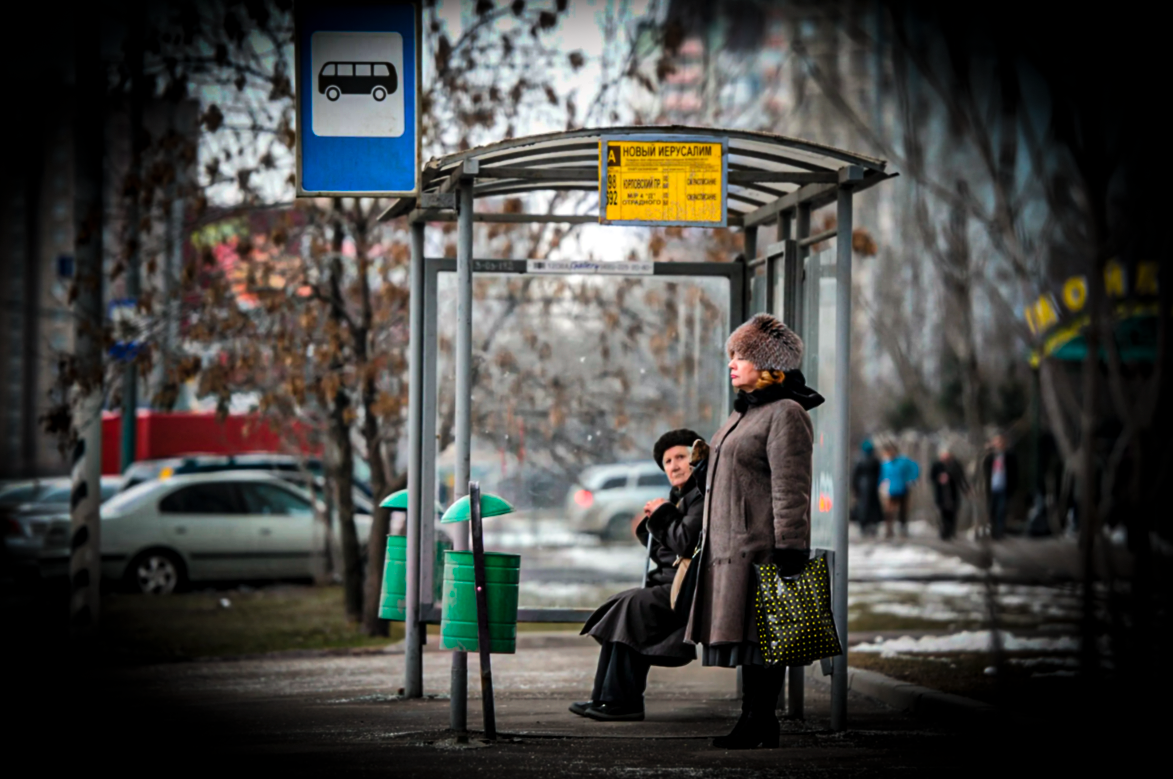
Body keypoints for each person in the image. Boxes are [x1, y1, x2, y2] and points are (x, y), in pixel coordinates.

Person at [683, 313, 824, 750]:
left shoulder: (786, 413)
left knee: (767, 637)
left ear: (768, 365)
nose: (732, 363)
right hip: (731, 545)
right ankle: (755, 720)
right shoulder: (746, 411)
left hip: (762, 545)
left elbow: (791, 487)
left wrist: (791, 548)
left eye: (741, 356)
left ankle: (761, 722)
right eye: (732, 355)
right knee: (750, 638)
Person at [572, 428, 706, 722]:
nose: (674, 465)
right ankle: (605, 698)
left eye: (681, 457)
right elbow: (669, 549)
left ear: (696, 459)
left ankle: (624, 702)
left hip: (688, 590)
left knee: (633, 607)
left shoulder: (701, 497)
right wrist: (651, 522)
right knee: (626, 603)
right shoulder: (681, 497)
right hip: (673, 585)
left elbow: (685, 542)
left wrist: (661, 515)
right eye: (668, 461)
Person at [981, 433, 1018, 539]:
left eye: (1001, 442)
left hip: (1004, 487)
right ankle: (993, 531)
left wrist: (1013, 487)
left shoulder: (1010, 456)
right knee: (992, 510)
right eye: (996, 442)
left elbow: (1014, 473)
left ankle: (1000, 532)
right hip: (992, 487)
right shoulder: (990, 457)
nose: (999, 444)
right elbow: (985, 470)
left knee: (1001, 510)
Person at [880, 443, 919, 538]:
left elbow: (915, 467)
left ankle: (903, 528)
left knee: (903, 510)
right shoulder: (885, 464)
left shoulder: (903, 461)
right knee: (889, 511)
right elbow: (881, 476)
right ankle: (889, 529)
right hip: (890, 490)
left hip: (903, 488)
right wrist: (882, 485)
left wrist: (912, 479)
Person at [929, 447, 969, 540]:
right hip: (941, 493)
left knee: (953, 512)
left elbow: (961, 477)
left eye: (947, 455)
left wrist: (965, 489)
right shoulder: (936, 465)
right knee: (943, 513)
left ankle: (951, 531)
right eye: (944, 455)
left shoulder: (955, 464)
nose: (945, 457)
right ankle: (944, 532)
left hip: (953, 493)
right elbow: (932, 477)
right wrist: (939, 478)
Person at [852, 439, 883, 538]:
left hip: (863, 487)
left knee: (864, 507)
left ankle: (864, 525)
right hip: (871, 486)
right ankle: (871, 524)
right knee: (870, 507)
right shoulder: (874, 460)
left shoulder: (860, 460)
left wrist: (855, 488)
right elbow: (879, 473)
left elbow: (855, 475)